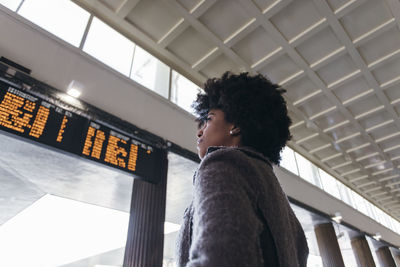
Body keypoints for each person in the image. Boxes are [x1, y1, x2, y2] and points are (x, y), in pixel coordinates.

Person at [175, 72, 309, 267]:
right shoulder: (286, 211)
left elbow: (221, 258)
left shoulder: (223, 164)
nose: (200, 131)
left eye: (209, 119)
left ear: (235, 126)